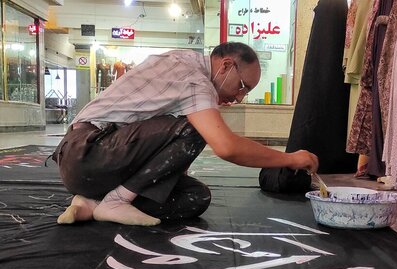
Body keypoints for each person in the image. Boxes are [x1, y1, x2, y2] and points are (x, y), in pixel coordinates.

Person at [52, 43, 318, 226]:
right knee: (193, 129)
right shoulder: (195, 82)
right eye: (241, 86)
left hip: (94, 162)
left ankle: (93, 202)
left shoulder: (183, 60)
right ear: (226, 65)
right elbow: (226, 147)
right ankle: (116, 200)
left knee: (194, 197)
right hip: (87, 152)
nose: (238, 97)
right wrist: (291, 159)